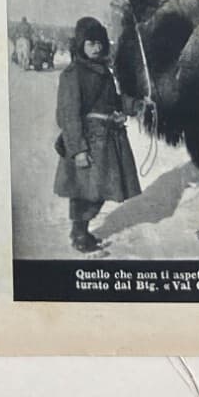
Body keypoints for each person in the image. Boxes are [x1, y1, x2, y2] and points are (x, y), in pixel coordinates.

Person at [53, 18, 141, 253]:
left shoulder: (104, 72)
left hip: (107, 141)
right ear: (81, 45)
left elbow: (114, 100)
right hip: (88, 142)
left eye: (100, 43)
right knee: (85, 191)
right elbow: (68, 115)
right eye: (91, 43)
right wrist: (78, 150)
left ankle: (80, 229)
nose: (97, 48)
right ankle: (80, 234)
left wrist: (135, 105)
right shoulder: (73, 74)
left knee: (97, 191)